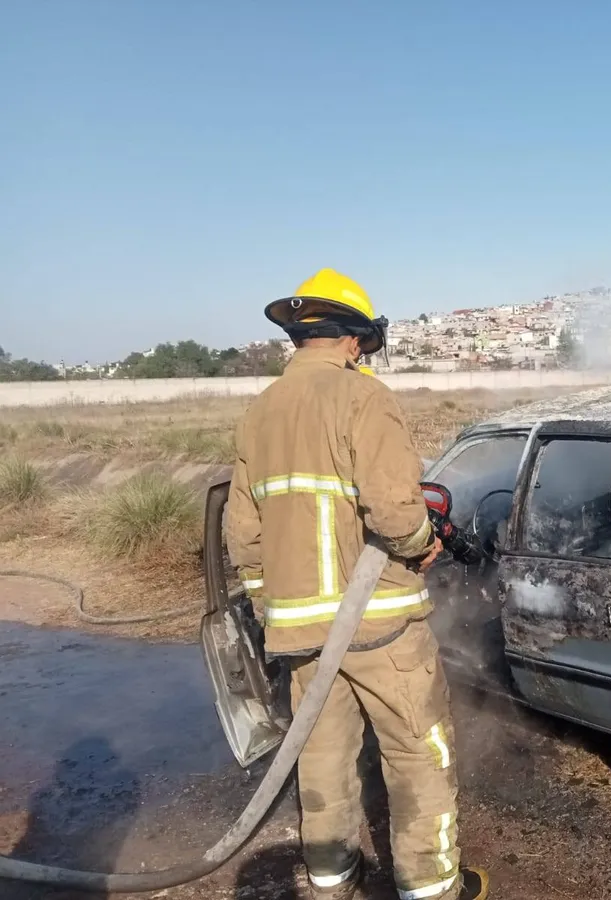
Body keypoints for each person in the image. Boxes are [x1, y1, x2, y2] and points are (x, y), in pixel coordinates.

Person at [224, 268, 488, 900]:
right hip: (379, 623)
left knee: (321, 756)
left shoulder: (259, 414)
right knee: (419, 755)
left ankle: (331, 878)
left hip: (303, 637)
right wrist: (425, 546)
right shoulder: (364, 399)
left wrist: (269, 605)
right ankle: (431, 886)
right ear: (352, 340)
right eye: (362, 347)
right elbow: (396, 510)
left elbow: (244, 532)